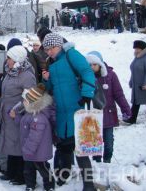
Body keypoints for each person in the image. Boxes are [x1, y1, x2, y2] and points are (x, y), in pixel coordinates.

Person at [41, 33, 95, 190]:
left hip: (77, 108)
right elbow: (51, 88)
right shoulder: (51, 63)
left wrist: (86, 94)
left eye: (52, 48)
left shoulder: (71, 54)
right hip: (62, 112)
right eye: (47, 49)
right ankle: (63, 178)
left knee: (81, 149)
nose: (50, 52)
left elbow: (87, 72)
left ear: (59, 45)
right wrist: (46, 79)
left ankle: (89, 185)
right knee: (64, 147)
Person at [0, 45, 36, 185]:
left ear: (17, 59)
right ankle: (11, 171)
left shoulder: (26, 75)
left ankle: (20, 175)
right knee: (10, 142)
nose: (6, 60)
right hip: (7, 114)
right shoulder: (10, 71)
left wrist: (17, 109)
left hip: (17, 115)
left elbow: (31, 96)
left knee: (18, 143)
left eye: (9, 58)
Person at [85, 51, 131, 163]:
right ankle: (97, 162)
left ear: (100, 64)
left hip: (108, 114)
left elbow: (119, 94)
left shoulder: (110, 76)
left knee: (108, 142)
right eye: (89, 65)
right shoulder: (85, 77)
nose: (92, 67)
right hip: (93, 116)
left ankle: (107, 160)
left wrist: (126, 110)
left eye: (94, 64)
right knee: (95, 142)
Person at [17, 84, 56, 191]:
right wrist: (16, 116)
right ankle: (30, 185)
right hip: (31, 150)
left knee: (42, 168)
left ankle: (49, 185)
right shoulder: (29, 114)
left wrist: (28, 149)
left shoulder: (38, 118)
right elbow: (22, 124)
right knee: (28, 169)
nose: (23, 102)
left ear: (32, 102)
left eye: (25, 100)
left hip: (38, 151)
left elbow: (35, 137)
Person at [124, 40, 146, 124]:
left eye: (137, 49)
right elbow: (134, 70)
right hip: (137, 84)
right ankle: (132, 118)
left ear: (142, 49)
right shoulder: (137, 57)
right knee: (136, 101)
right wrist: (131, 81)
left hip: (145, 84)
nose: (135, 50)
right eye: (135, 49)